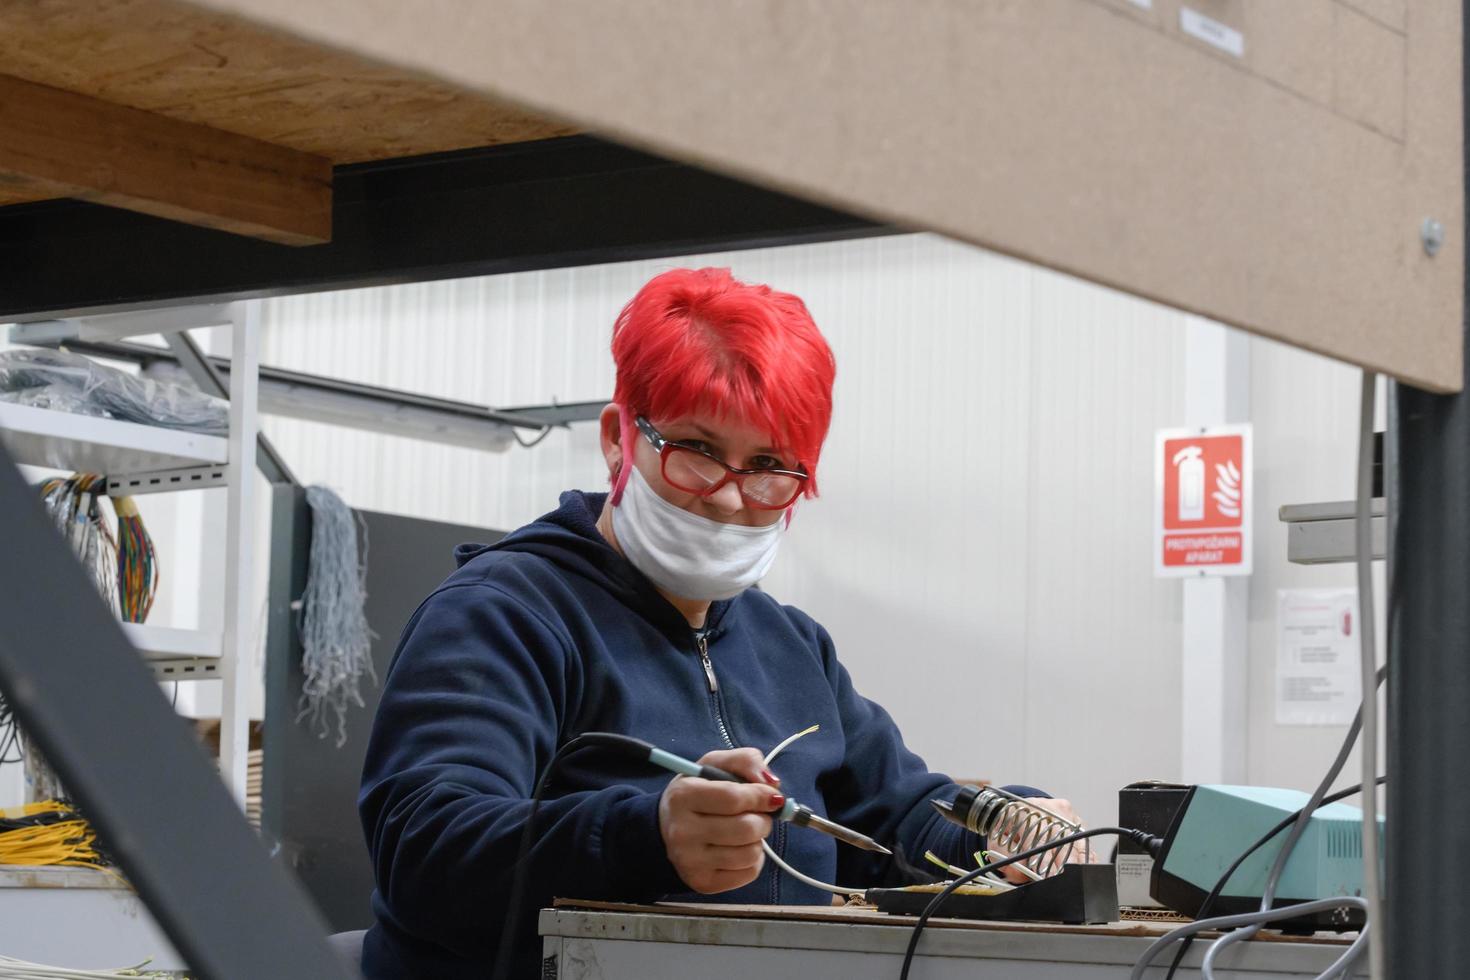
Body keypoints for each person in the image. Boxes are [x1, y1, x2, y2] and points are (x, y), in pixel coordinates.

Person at [357, 267, 1087, 978]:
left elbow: (891, 822)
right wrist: (644, 835)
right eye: (698, 452)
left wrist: (1000, 829)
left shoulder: (790, 646)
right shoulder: (504, 614)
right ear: (619, 439)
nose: (732, 500)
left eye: (769, 465)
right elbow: (424, 849)